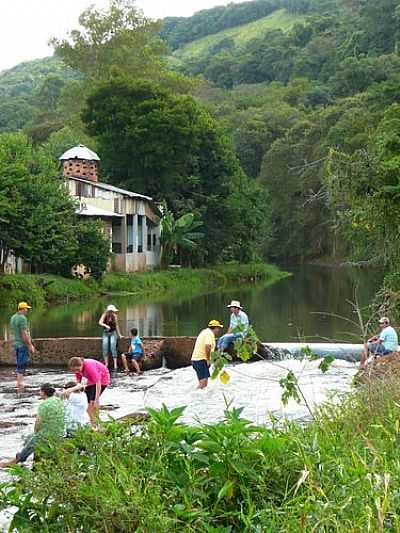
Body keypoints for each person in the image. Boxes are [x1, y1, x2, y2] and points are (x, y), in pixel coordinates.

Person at [0, 383, 65, 468]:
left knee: (31, 442)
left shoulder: (44, 404)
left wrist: (36, 432)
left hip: (47, 433)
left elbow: (38, 422)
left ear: (43, 392)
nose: (39, 393)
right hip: (60, 432)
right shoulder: (58, 400)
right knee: (29, 438)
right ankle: (36, 459)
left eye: (40, 391)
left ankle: (16, 461)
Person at [68, 357, 110, 428]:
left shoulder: (89, 367)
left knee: (92, 405)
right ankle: (91, 422)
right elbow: (78, 383)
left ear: (81, 365)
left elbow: (98, 383)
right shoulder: (78, 370)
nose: (76, 371)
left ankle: (96, 424)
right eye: (73, 370)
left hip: (102, 380)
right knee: (86, 404)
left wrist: (96, 400)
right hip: (91, 381)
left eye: (77, 370)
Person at [9, 301, 36, 391]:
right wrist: (30, 345)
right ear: (23, 309)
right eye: (26, 309)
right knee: (22, 363)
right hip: (22, 344)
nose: (27, 311)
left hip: (16, 343)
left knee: (19, 362)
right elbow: (24, 333)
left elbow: (12, 332)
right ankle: (20, 383)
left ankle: (19, 381)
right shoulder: (22, 318)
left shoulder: (13, 317)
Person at [191, 320, 223, 389]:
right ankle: (195, 396)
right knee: (203, 383)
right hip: (200, 360)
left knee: (203, 383)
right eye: (218, 328)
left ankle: (198, 397)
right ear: (215, 328)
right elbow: (207, 346)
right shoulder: (209, 334)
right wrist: (208, 359)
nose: (219, 330)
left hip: (197, 360)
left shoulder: (205, 332)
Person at [98, 304, 122, 372]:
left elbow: (117, 326)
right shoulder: (104, 315)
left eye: (113, 311)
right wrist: (106, 325)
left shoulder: (115, 316)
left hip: (113, 333)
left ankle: (115, 364)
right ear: (109, 311)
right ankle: (106, 363)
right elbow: (100, 322)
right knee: (105, 346)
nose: (112, 313)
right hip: (105, 333)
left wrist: (119, 334)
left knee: (112, 346)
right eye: (111, 311)